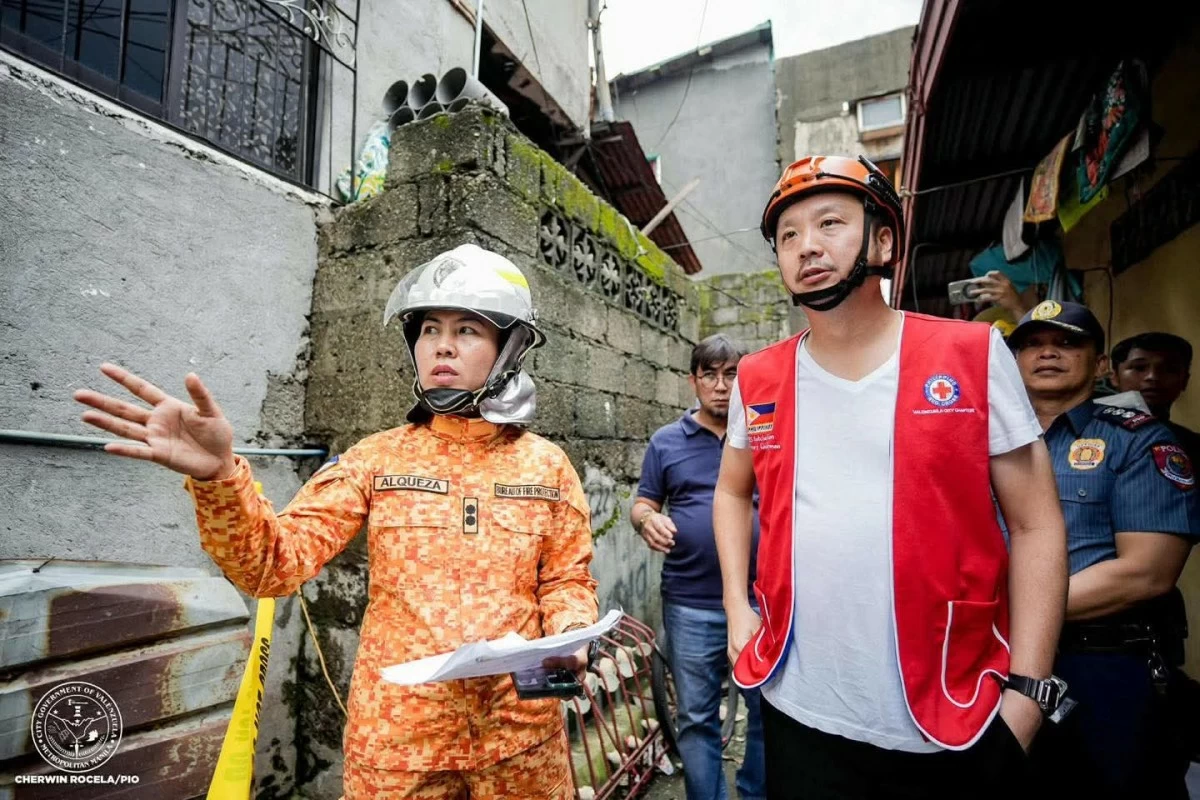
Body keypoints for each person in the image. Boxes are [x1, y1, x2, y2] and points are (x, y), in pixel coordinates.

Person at [74, 244, 599, 800]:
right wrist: (219, 479)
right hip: (399, 742)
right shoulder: (376, 460)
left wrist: (569, 634)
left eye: (467, 329)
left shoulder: (547, 465)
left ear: (507, 348)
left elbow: (567, 579)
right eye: (428, 329)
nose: (442, 344)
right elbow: (273, 567)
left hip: (519, 738)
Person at [713, 154, 1070, 799]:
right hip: (800, 705)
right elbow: (735, 491)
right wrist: (738, 607)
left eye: (829, 223)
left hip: (951, 706)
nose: (807, 247)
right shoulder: (757, 378)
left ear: (883, 241)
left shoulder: (970, 354)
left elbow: (1037, 522)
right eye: (788, 236)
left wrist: (1028, 693)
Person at [1007, 301, 1200, 799]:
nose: (1047, 351)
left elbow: (1145, 573)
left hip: (1104, 666)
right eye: (1031, 342)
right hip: (995, 666)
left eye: (1068, 341)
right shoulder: (982, 442)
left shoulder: (1138, 441)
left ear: (1098, 366)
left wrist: (1008, 615)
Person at [632, 333, 765, 800]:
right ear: (693, 381)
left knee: (768, 710)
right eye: (710, 374)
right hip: (689, 603)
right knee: (695, 717)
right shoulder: (667, 441)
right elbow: (643, 502)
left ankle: (754, 791)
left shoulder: (764, 435)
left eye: (732, 374)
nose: (721, 385)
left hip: (760, 603)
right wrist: (648, 519)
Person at [1110, 331, 1200, 463]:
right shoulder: (1088, 433)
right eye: (1139, 368)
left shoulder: (1193, 446)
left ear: (1185, 380)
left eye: (1169, 369)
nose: (1152, 377)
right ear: (1115, 377)